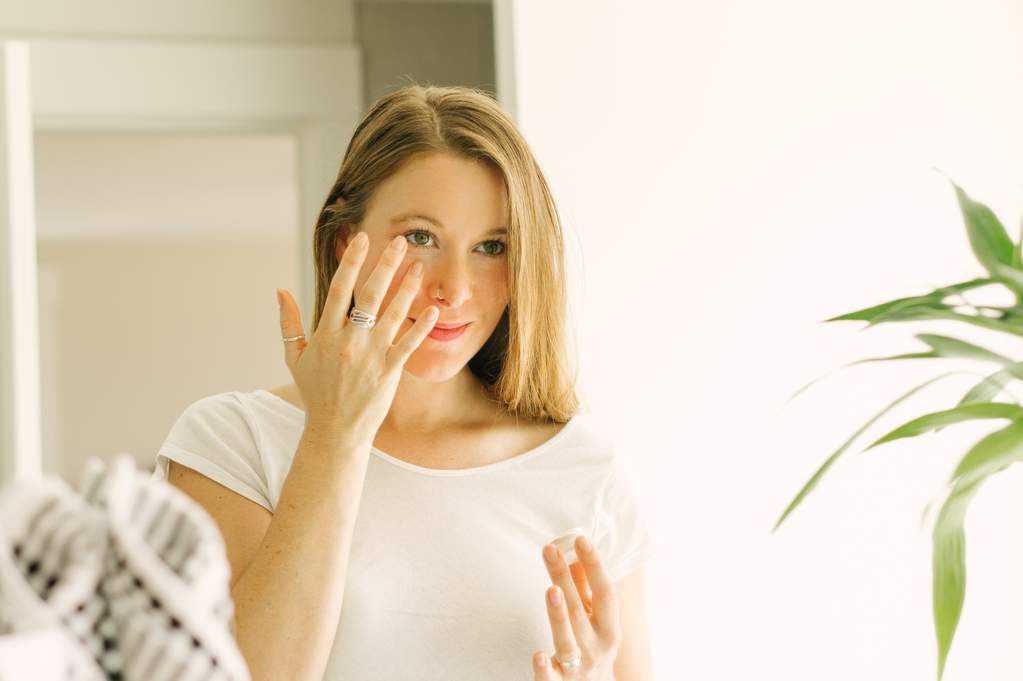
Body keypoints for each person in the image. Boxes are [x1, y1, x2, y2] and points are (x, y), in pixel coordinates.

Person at [150, 84, 656, 681]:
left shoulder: (581, 467)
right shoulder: (231, 444)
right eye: (421, 237)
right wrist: (335, 431)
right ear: (347, 244)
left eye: (492, 247)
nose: (454, 288)